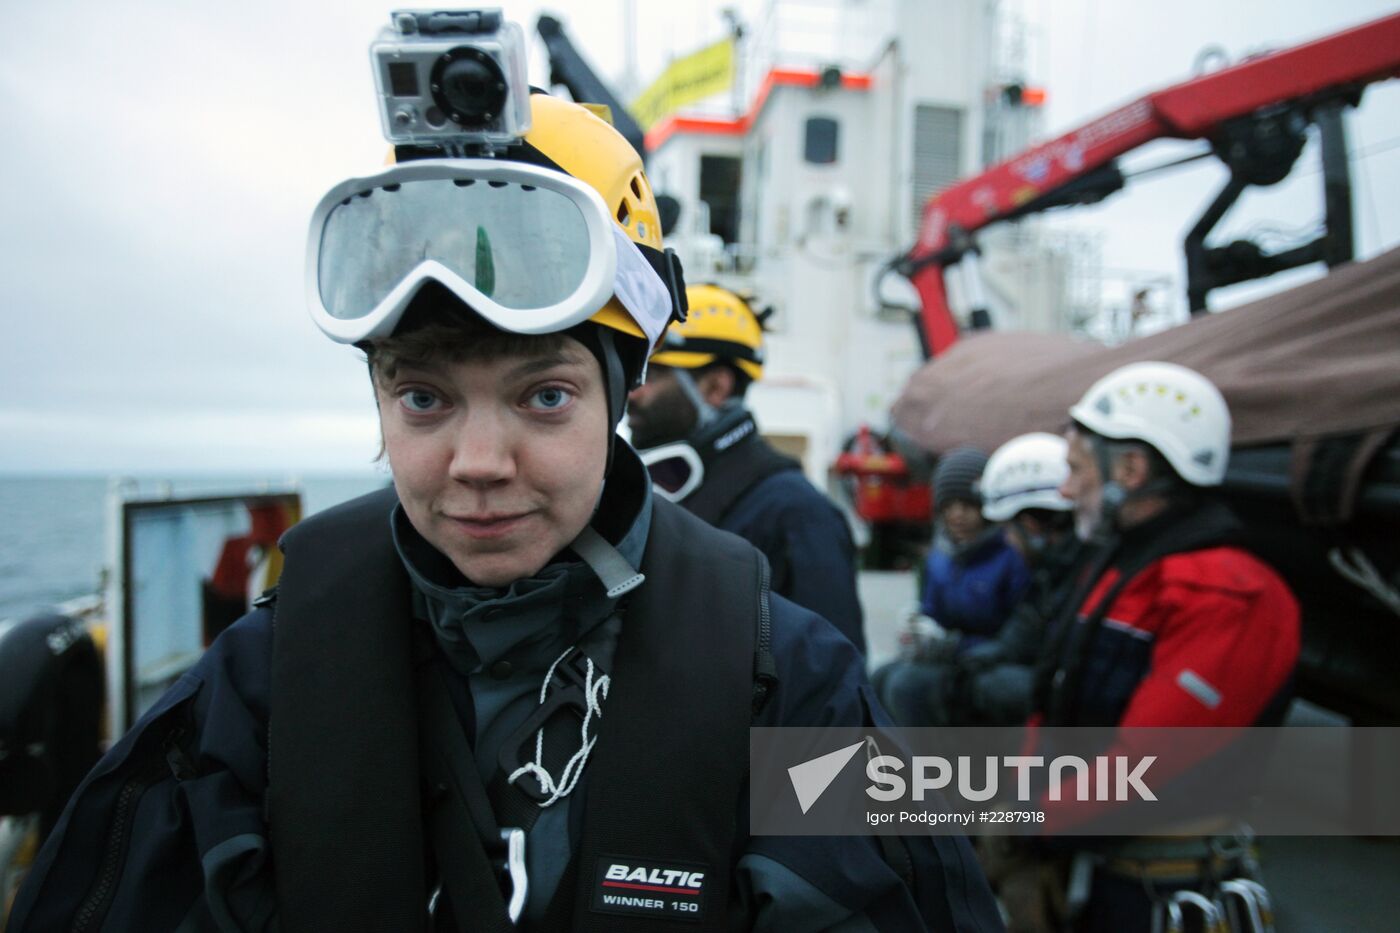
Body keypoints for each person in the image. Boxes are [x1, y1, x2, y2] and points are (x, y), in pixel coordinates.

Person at [9, 93, 1001, 932]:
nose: (478, 466)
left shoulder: (795, 683)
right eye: (424, 399)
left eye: (544, 397)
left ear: (620, 398)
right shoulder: (258, 685)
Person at [998, 361, 1300, 933]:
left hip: (1168, 891)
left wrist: (1025, 823)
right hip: (1099, 868)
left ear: (1130, 469)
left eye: (1077, 468)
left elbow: (1146, 765)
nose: (1064, 490)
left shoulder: (1227, 592)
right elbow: (1053, 701)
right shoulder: (1119, 566)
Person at [625, 283, 866, 651]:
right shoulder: (667, 491)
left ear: (716, 387)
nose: (632, 392)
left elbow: (832, 679)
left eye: (652, 375)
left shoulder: (796, 512)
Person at [875, 447, 1030, 726]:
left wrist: (955, 646)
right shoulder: (939, 557)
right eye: (949, 506)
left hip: (987, 662)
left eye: (968, 505)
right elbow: (932, 613)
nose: (958, 515)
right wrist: (917, 629)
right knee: (878, 677)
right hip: (949, 657)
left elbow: (1019, 635)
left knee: (907, 686)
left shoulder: (1011, 556)